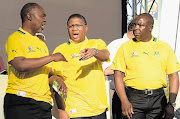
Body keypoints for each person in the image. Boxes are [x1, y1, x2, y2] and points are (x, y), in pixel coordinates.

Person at [4, 3, 67, 119]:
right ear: (29, 16)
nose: (45, 20)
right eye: (42, 16)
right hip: (22, 102)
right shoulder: (15, 38)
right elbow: (20, 65)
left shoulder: (41, 44)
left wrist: (57, 79)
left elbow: (44, 75)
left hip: (43, 104)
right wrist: (52, 57)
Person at [111, 13, 180, 119]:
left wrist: (171, 103)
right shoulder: (125, 47)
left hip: (158, 99)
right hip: (134, 98)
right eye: (134, 25)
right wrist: (124, 101)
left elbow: (173, 76)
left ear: (150, 27)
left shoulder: (164, 47)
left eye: (140, 25)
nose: (136, 28)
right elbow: (118, 75)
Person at [52, 13, 110, 119]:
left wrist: (95, 52)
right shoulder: (60, 50)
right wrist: (61, 110)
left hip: (98, 109)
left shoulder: (97, 43)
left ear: (86, 28)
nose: (74, 28)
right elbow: (57, 81)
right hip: (75, 110)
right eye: (71, 26)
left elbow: (106, 55)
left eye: (78, 25)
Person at [102, 20, 134, 119]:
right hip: (123, 93)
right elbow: (106, 70)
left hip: (142, 95)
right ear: (134, 29)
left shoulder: (144, 45)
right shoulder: (116, 44)